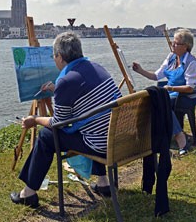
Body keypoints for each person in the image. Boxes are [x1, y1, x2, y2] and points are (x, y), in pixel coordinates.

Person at [10, 32, 122, 208]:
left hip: (100, 144)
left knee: (47, 136)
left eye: (54, 56)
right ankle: (104, 183)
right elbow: (87, 98)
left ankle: (29, 193)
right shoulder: (97, 67)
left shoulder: (66, 80)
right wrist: (57, 90)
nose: (54, 60)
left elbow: (57, 123)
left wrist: (35, 119)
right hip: (117, 138)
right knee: (96, 125)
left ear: (60, 57)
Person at [132, 28, 196, 155]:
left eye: (175, 43)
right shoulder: (171, 57)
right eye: (172, 43)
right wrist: (140, 70)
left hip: (186, 95)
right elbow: (156, 76)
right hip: (171, 92)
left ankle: (178, 137)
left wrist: (170, 88)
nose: (172, 45)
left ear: (185, 47)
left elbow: (190, 88)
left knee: (161, 102)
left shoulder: (191, 63)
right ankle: (161, 136)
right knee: (153, 101)